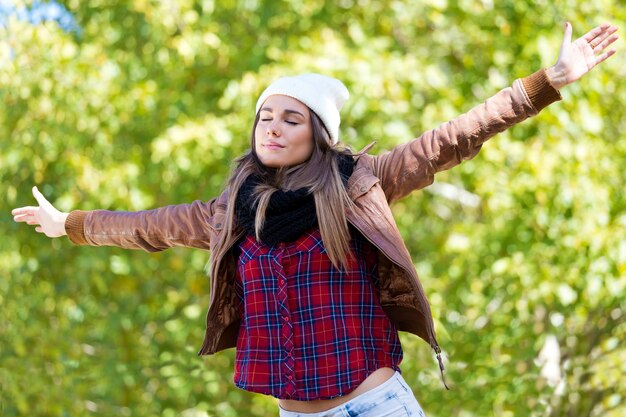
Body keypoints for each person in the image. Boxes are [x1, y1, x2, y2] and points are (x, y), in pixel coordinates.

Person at [12, 22, 618, 417]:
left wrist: (546, 82)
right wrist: (69, 222)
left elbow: (452, 139)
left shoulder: (359, 185)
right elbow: (147, 225)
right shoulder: (230, 214)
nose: (271, 127)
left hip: (375, 405)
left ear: (319, 135)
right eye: (264, 116)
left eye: (290, 118)